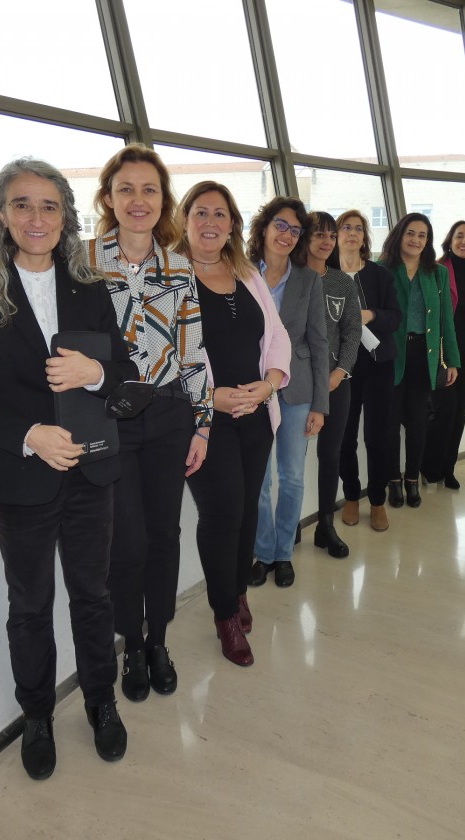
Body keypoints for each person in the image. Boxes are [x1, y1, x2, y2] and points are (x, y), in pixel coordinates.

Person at [0, 158, 136, 780]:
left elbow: (125, 373)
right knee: (29, 604)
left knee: (94, 595)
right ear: (0, 214)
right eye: (22, 204)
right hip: (18, 476)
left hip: (88, 470)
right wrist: (28, 435)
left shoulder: (87, 283)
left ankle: (101, 703)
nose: (37, 217)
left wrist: (96, 374)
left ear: (65, 217)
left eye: (50, 206)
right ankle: (37, 716)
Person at [88, 144, 213, 702]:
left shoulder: (180, 267)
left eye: (149, 190)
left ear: (163, 201)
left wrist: (202, 425)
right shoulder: (83, 262)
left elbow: (193, 354)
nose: (138, 201)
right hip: (109, 419)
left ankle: (157, 640)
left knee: (165, 534)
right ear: (109, 198)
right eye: (126, 189)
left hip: (167, 416)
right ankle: (130, 645)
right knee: (128, 542)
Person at [177, 181, 290, 666]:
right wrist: (211, 399)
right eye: (201, 213)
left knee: (246, 511)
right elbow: (162, 358)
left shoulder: (246, 271)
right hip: (206, 422)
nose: (210, 223)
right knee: (221, 515)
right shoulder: (170, 274)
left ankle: (238, 589)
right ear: (185, 220)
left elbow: (276, 333)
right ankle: (225, 614)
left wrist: (269, 385)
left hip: (256, 414)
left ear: (232, 225)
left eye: (220, 215)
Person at [247, 197, 328, 589]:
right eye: (281, 225)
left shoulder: (309, 279)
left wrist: (321, 406)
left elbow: (319, 342)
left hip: (297, 390)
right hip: (254, 388)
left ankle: (283, 554)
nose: (286, 235)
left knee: (292, 476)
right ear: (264, 227)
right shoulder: (242, 273)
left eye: (295, 231)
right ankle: (263, 552)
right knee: (260, 480)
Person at [378, 212, 459, 510]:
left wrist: (451, 359)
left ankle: (412, 479)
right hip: (390, 357)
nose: (416, 240)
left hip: (424, 356)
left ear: (428, 241)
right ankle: (393, 481)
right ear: (400, 234)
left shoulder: (437, 273)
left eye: (422, 235)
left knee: (417, 423)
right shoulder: (381, 269)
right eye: (411, 233)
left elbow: (445, 320)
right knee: (389, 423)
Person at [333, 211, 402, 533]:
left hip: (378, 365)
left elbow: (395, 319)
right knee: (345, 437)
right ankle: (350, 496)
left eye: (358, 228)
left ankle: (377, 500)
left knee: (378, 436)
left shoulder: (380, 276)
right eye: (345, 227)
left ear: (364, 237)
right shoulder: (326, 274)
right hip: (341, 367)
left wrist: (370, 314)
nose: (352, 233)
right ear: (335, 234)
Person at [306, 211, 360, 558]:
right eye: (318, 235)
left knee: (331, 454)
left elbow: (352, 331)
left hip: (337, 383)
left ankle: (326, 525)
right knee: (289, 462)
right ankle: (284, 532)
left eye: (330, 235)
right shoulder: (291, 278)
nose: (326, 242)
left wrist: (340, 371)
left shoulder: (342, 282)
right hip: (295, 385)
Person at [421, 220, 465, 490]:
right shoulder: (436, 270)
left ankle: (448, 468)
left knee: (458, 413)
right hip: (441, 354)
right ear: (449, 241)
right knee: (442, 411)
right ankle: (428, 467)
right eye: (459, 236)